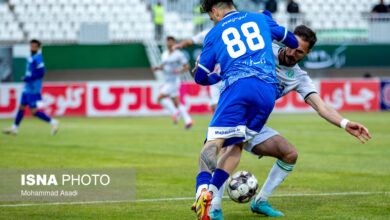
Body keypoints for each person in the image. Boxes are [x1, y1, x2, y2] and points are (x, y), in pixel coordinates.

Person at [208, 25, 372, 219]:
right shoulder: (264, 48)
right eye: (291, 46)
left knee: (289, 154)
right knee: (230, 147)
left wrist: (345, 123)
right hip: (234, 110)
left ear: (308, 53)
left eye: (299, 51)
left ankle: (260, 201)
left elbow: (321, 107)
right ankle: (213, 208)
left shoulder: (299, 78)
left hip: (255, 121)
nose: (292, 53)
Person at [192, 1, 299, 219]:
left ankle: (202, 192)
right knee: (237, 143)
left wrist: (214, 74)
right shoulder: (260, 18)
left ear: (214, 11)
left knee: (213, 143)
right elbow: (294, 41)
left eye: (211, 16)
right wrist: (269, 21)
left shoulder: (214, 33)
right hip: (268, 90)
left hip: (238, 86)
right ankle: (213, 200)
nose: (213, 20)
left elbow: (200, 76)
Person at [2, 39, 59, 136]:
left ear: (38, 48)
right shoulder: (31, 57)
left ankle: (53, 122)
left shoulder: (38, 57)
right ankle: (14, 128)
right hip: (27, 87)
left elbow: (41, 72)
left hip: (33, 88)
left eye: (34, 46)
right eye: (31, 46)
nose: (32, 47)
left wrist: (28, 78)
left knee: (34, 111)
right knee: (21, 107)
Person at [173, 29, 221, 113]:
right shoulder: (208, 32)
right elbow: (191, 41)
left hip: (230, 72)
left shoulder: (227, 30)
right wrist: (180, 45)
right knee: (214, 106)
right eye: (210, 14)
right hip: (215, 75)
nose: (212, 15)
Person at [152, 36, 193, 129]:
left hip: (174, 81)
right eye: (168, 42)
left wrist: (180, 71)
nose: (170, 43)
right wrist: (158, 68)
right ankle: (188, 120)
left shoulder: (178, 54)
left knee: (159, 98)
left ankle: (175, 112)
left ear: (174, 43)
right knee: (177, 103)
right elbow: (164, 66)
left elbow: (187, 66)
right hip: (167, 80)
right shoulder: (165, 54)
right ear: (166, 43)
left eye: (171, 42)